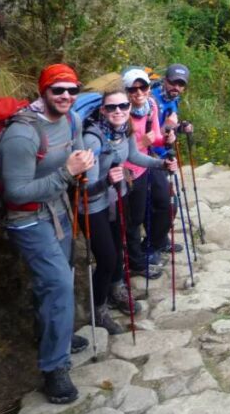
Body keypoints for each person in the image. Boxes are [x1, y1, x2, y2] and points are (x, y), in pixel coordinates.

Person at [0, 64, 93, 405]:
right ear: (43, 91)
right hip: (27, 219)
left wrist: (84, 163)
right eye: (58, 90)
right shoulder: (21, 135)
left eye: (72, 90)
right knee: (58, 283)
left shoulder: (72, 120)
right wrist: (67, 173)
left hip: (59, 211)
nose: (66, 96)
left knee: (55, 280)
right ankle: (54, 367)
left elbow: (77, 155)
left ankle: (53, 334)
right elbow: (16, 192)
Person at [80, 85, 177, 334]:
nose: (119, 111)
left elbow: (134, 156)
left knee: (119, 247)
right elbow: (85, 188)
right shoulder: (93, 138)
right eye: (112, 107)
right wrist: (107, 181)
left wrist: (161, 164)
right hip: (92, 206)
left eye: (123, 106)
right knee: (106, 257)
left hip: (116, 197)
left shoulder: (124, 131)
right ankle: (98, 308)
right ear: (103, 110)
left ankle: (116, 290)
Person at [121, 67, 170, 278]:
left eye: (143, 87)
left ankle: (141, 255)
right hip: (124, 173)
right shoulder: (120, 113)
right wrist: (142, 142)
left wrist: (168, 136)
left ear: (150, 89)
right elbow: (120, 152)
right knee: (131, 220)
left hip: (142, 169)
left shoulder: (151, 106)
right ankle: (135, 263)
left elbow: (156, 137)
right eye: (133, 89)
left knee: (142, 214)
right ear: (126, 91)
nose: (139, 92)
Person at [145, 64, 193, 260]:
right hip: (149, 158)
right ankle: (151, 246)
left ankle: (160, 240)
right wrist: (169, 127)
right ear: (165, 80)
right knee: (162, 203)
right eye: (173, 82)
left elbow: (169, 128)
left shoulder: (173, 99)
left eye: (181, 84)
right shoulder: (151, 100)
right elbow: (150, 134)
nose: (176, 87)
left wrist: (180, 127)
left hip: (164, 157)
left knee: (170, 202)